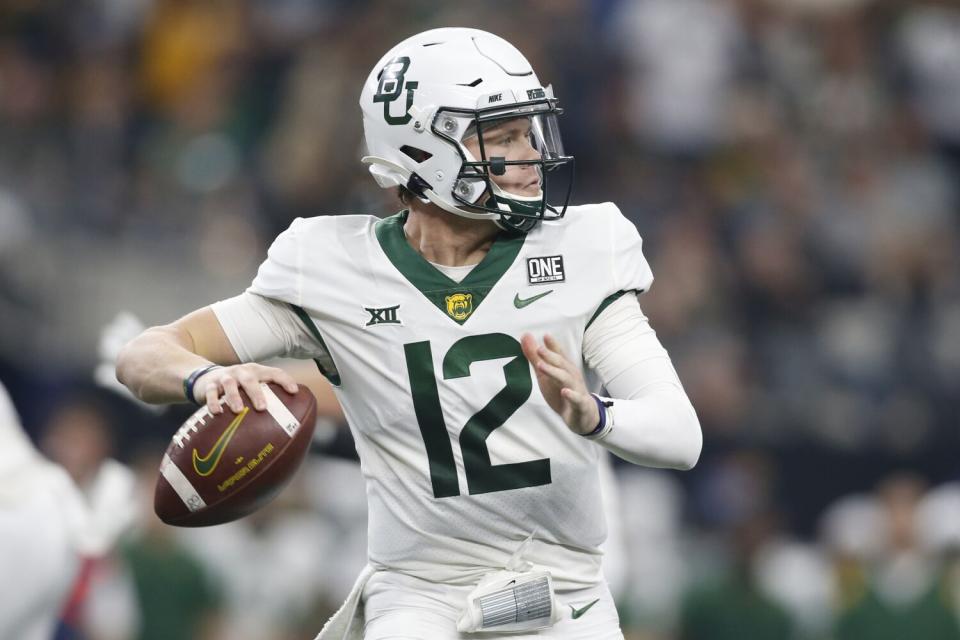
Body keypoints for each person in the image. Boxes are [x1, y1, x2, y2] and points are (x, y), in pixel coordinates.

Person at [116, 27, 702, 640]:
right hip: (421, 593)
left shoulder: (585, 247)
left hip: (562, 593)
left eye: (530, 131)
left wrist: (594, 416)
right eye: (502, 137)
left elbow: (680, 435)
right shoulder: (329, 268)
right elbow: (143, 356)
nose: (531, 154)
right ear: (421, 154)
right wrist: (209, 376)